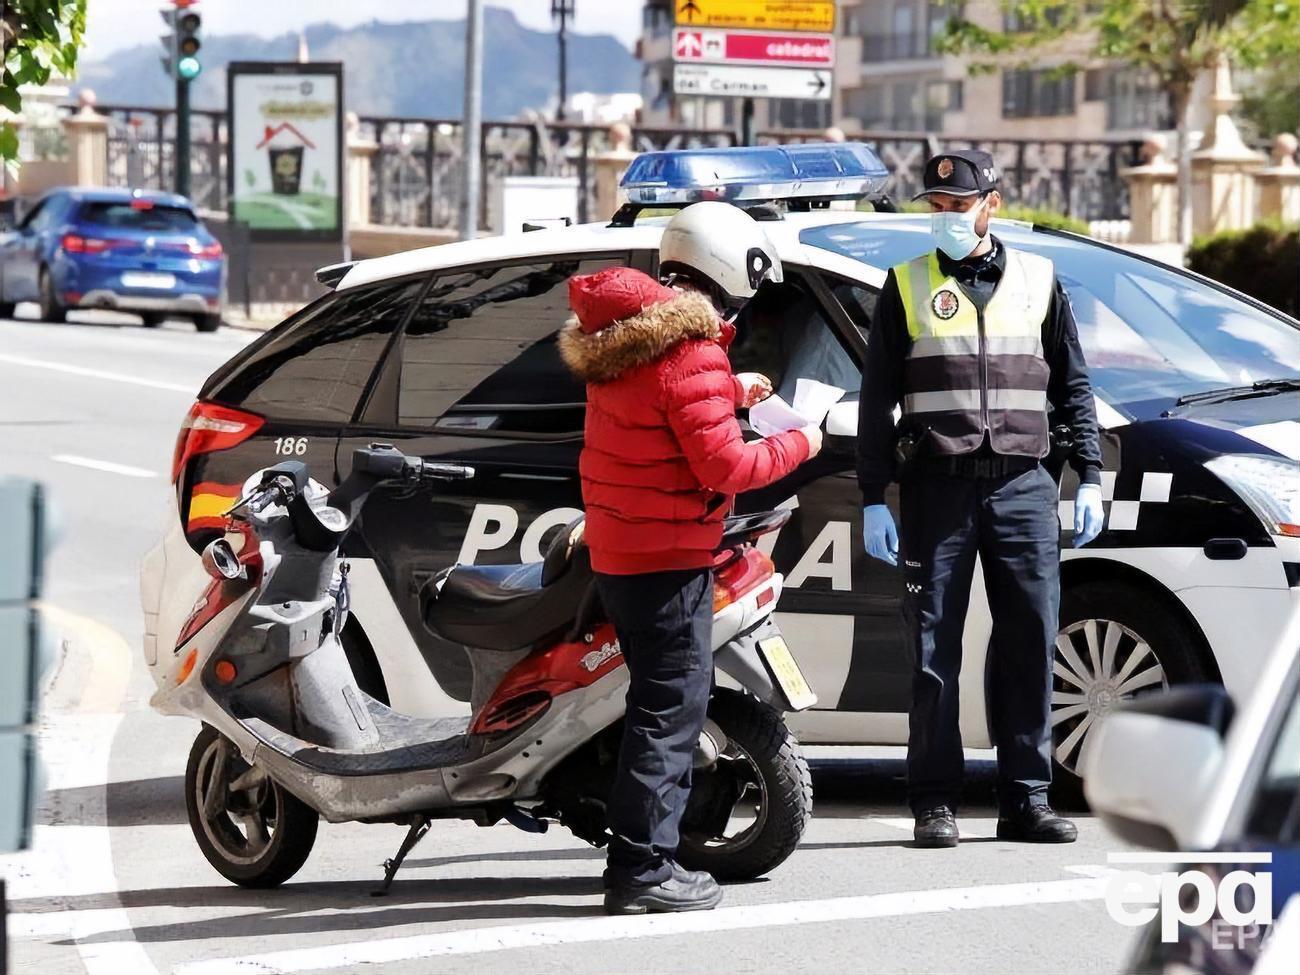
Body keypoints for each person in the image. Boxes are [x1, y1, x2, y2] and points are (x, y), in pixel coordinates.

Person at [559, 202, 821, 914]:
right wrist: (804, 443)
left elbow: (653, 413)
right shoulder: (690, 348)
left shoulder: (624, 337)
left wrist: (731, 390)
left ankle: (642, 857)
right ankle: (642, 871)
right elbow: (725, 464)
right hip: (669, 559)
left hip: (624, 549)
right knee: (667, 713)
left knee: (653, 706)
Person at [856, 149, 1104, 848]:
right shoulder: (904, 285)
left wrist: (1089, 473)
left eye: (956, 207)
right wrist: (874, 493)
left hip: (1025, 486)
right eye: (934, 208)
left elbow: (1073, 387)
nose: (944, 219)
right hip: (938, 487)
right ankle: (934, 799)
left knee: (1030, 642)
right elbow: (877, 399)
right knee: (933, 650)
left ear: (991, 204)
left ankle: (1026, 797)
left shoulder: (1040, 279)